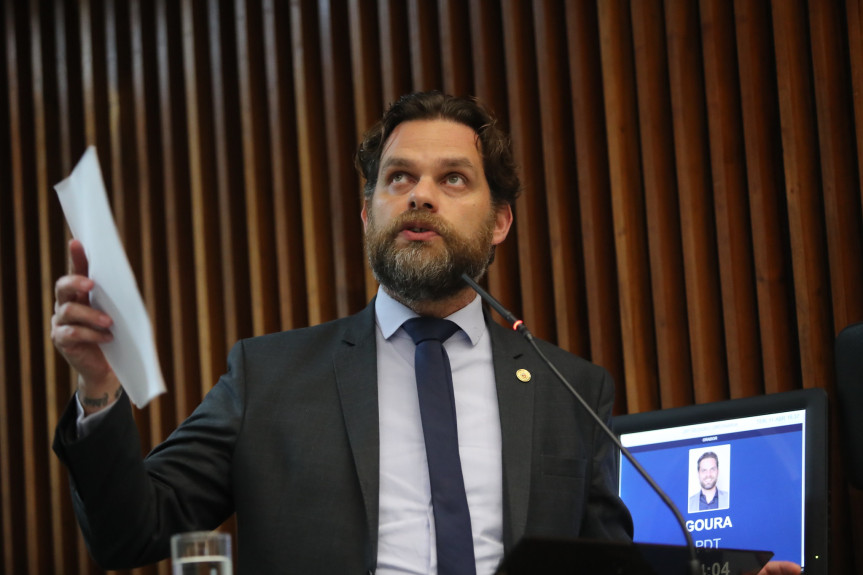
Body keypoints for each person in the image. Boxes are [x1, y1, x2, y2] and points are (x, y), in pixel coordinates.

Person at [51, 91, 796, 575]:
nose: (420, 196)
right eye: (398, 178)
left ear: (499, 221)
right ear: (368, 211)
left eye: (453, 179)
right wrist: (99, 387)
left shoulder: (571, 388)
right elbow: (129, 532)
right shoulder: (268, 377)